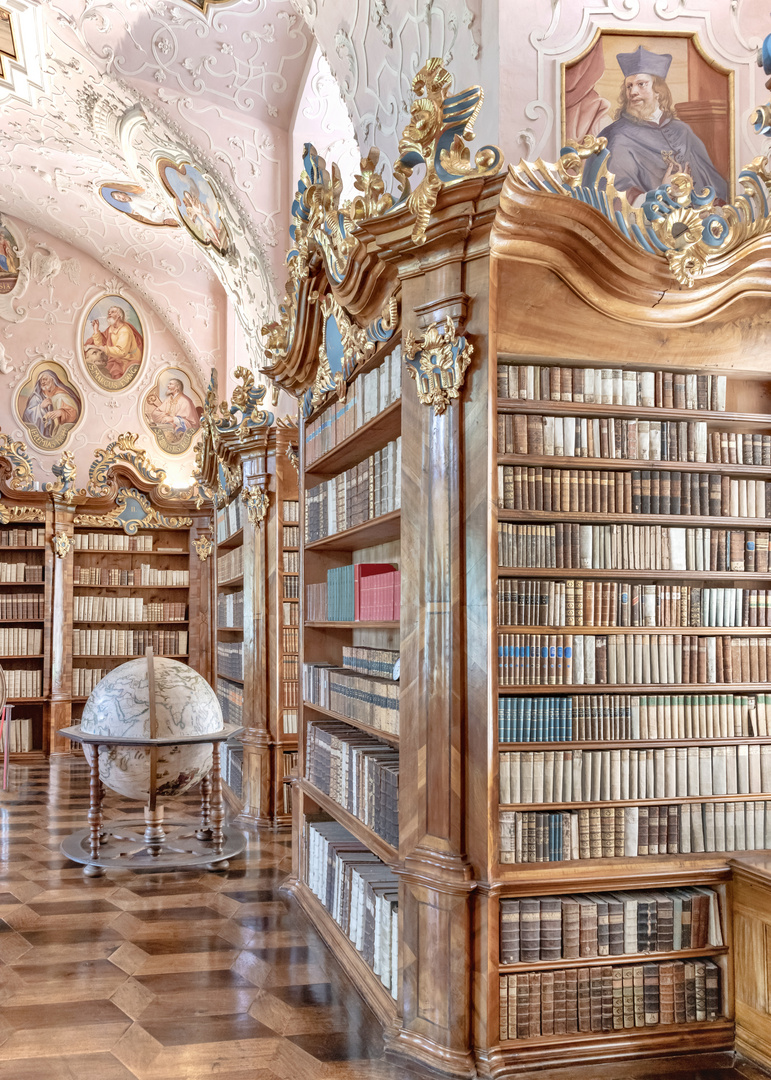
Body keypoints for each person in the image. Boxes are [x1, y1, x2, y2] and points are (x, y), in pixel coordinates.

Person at [599, 45, 728, 206]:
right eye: (629, 86)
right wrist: (662, 192)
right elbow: (615, 198)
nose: (633, 92)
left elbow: (712, 183)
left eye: (641, 84)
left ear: (658, 91)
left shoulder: (682, 131)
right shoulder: (617, 136)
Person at [84, 304, 144, 380]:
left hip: (127, 359)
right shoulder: (111, 329)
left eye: (112, 312)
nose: (109, 314)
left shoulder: (124, 330)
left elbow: (121, 352)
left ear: (119, 315)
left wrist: (96, 347)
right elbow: (101, 344)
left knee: (112, 370)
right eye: (109, 312)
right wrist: (96, 330)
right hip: (115, 357)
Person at [22, 369, 81, 440]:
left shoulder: (61, 395)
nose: (42, 382)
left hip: (58, 436)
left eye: (45, 379)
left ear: (53, 380)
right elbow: (27, 416)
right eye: (41, 380)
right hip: (40, 435)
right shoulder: (36, 397)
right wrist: (40, 407)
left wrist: (61, 412)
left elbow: (74, 414)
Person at [145, 377, 201, 445]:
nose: (167, 386)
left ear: (177, 387)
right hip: (167, 428)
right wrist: (165, 416)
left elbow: (192, 424)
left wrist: (173, 419)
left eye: (170, 384)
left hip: (180, 434)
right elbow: (155, 412)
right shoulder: (169, 399)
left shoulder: (185, 401)